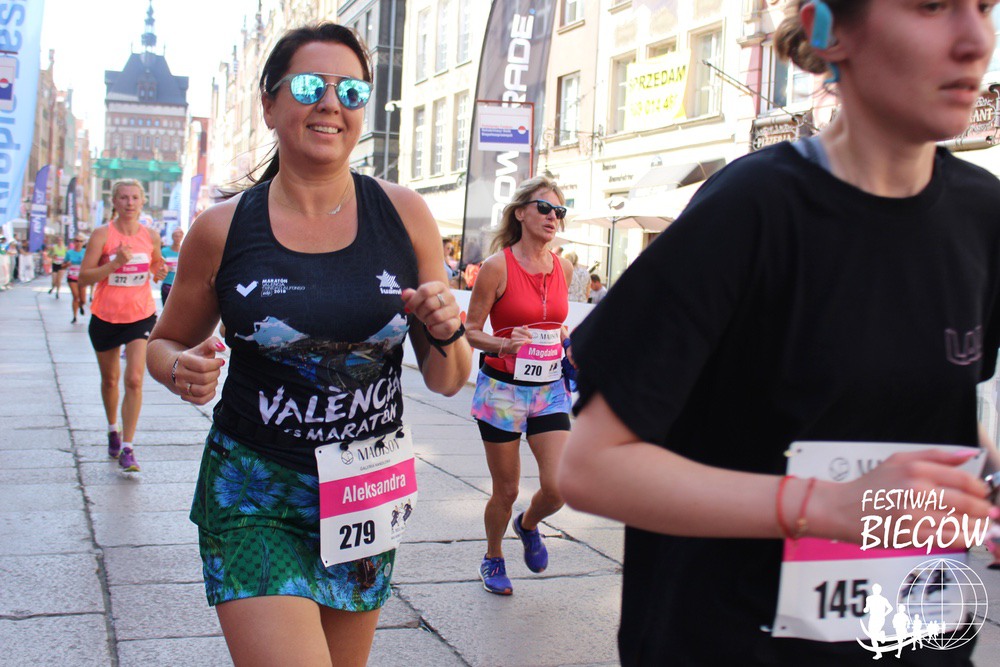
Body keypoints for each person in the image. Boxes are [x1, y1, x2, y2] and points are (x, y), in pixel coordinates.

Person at [558, 1, 1000, 664]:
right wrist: (828, 506)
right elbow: (591, 469)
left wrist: (987, 473)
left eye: (985, 7)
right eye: (932, 5)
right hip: (730, 639)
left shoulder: (982, 213)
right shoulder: (750, 206)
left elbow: (937, 408)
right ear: (829, 28)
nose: (975, 41)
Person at [145, 23, 470, 667]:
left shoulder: (405, 215)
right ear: (269, 105)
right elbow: (164, 342)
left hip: (365, 487)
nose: (330, 103)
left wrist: (447, 328)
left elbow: (447, 378)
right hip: (254, 490)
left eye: (350, 91)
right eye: (307, 86)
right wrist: (178, 366)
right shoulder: (221, 229)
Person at [465, 176, 574, 595]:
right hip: (502, 392)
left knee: (559, 486)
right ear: (521, 213)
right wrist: (503, 343)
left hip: (548, 390)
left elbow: (556, 322)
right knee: (507, 488)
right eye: (544, 208)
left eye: (559, 211)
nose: (552, 217)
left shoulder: (563, 267)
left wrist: (564, 338)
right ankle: (493, 556)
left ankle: (528, 525)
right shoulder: (497, 267)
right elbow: (471, 331)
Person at [79, 179, 167, 473]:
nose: (130, 203)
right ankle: (112, 429)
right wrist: (114, 264)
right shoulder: (102, 234)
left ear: (142, 202)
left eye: (135, 198)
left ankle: (128, 447)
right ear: (114, 202)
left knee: (134, 379)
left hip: (140, 315)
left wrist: (160, 271)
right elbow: (84, 277)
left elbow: (155, 266)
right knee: (110, 380)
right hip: (105, 316)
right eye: (124, 198)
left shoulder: (150, 236)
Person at [65, 236, 86, 323]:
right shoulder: (69, 253)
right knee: (75, 296)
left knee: (83, 300)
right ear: (74, 242)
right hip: (72, 277)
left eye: (81, 241)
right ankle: (74, 316)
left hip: (82, 277)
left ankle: (81, 305)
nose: (79, 243)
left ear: (83, 243)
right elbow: (63, 265)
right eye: (77, 241)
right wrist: (67, 264)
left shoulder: (86, 252)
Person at [159, 226, 183, 305]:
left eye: (179, 236)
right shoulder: (164, 251)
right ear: (172, 237)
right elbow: (158, 267)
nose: (178, 238)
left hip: (180, 285)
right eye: (176, 236)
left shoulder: (185, 251)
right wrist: (164, 268)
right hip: (167, 284)